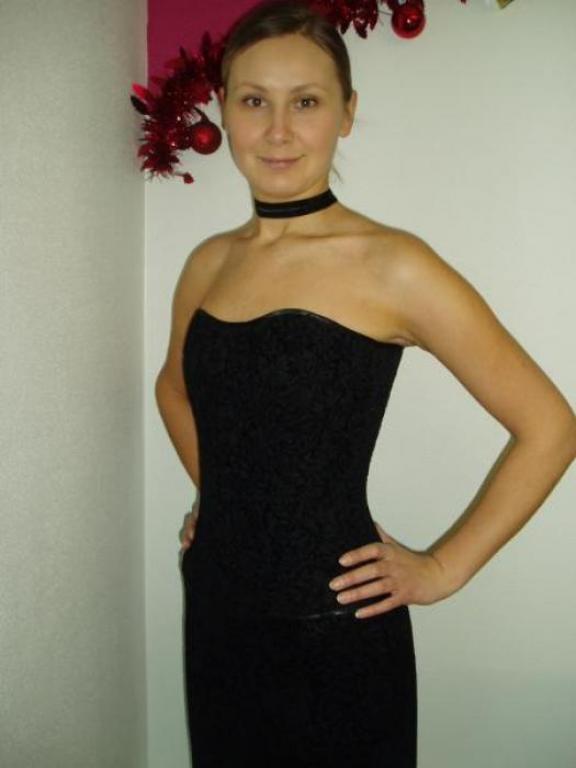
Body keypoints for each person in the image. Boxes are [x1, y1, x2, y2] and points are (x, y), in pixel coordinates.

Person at [155, 1, 576, 765]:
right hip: (217, 615)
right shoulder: (209, 263)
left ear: (346, 114)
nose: (277, 130)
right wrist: (221, 496)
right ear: (223, 108)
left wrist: (443, 567)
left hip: (337, 631)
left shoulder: (392, 264)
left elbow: (550, 427)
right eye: (254, 101)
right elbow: (173, 389)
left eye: (306, 102)